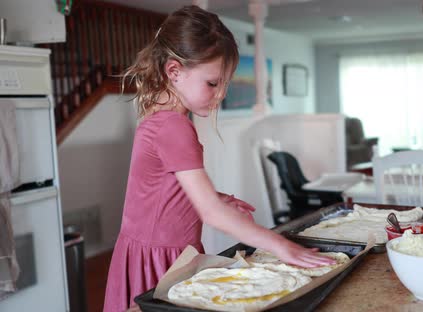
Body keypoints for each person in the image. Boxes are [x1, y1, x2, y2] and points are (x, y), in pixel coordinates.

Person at [103, 5, 334, 312]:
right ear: (174, 71)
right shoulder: (174, 125)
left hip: (151, 250)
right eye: (212, 83)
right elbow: (210, 214)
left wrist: (217, 198)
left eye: (224, 85)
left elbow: (159, 191)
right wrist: (281, 245)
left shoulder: (158, 117)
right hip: (160, 259)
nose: (220, 95)